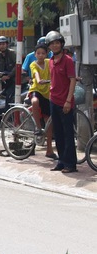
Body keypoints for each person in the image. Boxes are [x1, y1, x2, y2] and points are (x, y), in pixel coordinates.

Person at [46, 30, 78, 173]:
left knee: (68, 134)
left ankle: (70, 164)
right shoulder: (51, 61)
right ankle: (61, 161)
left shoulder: (68, 60)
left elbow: (72, 80)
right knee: (57, 133)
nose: (55, 46)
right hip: (54, 100)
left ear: (61, 44)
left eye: (57, 43)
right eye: (52, 44)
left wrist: (68, 100)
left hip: (65, 102)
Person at [28, 43, 56, 159]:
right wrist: (39, 80)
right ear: (35, 54)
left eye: (43, 53)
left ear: (46, 54)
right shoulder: (33, 64)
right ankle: (38, 128)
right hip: (36, 90)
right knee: (34, 102)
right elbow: (36, 74)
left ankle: (49, 150)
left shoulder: (49, 62)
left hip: (47, 93)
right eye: (38, 53)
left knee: (49, 122)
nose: (40, 55)